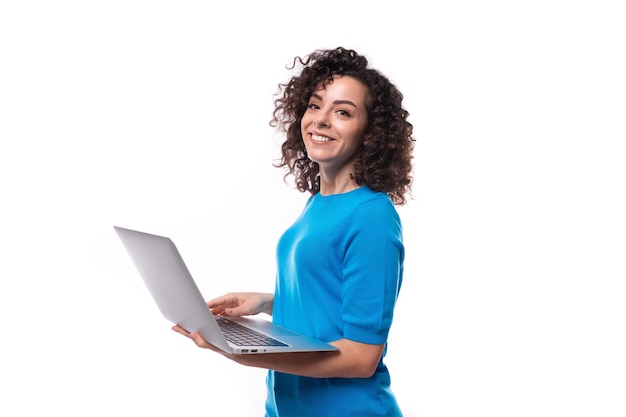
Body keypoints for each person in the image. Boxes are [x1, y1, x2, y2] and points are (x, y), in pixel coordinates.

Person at [173, 46, 415, 417]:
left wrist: (242, 354)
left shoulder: (371, 216)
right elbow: (331, 297)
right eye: (315, 105)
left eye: (343, 112)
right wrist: (269, 302)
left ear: (370, 134)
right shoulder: (319, 204)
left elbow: (361, 356)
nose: (320, 120)